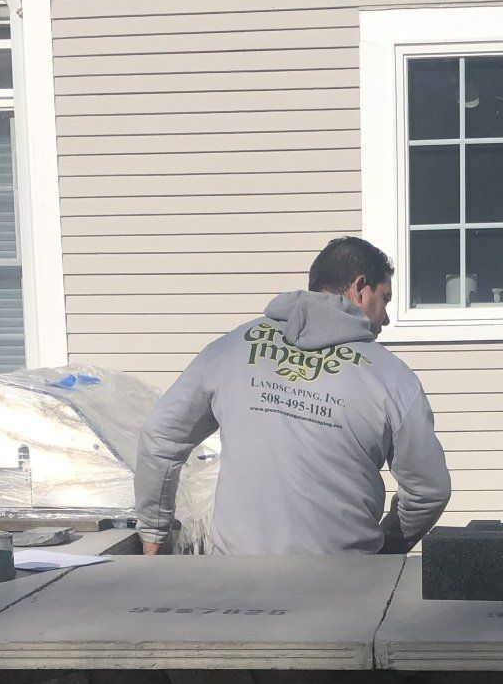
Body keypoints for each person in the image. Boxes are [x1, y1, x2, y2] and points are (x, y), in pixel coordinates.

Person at [132, 236, 451, 556]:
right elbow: (428, 491)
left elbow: (161, 437)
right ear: (359, 287)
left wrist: (153, 534)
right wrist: (387, 547)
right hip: (347, 587)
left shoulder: (231, 348)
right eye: (385, 299)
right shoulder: (391, 376)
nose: (385, 318)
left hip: (235, 583)